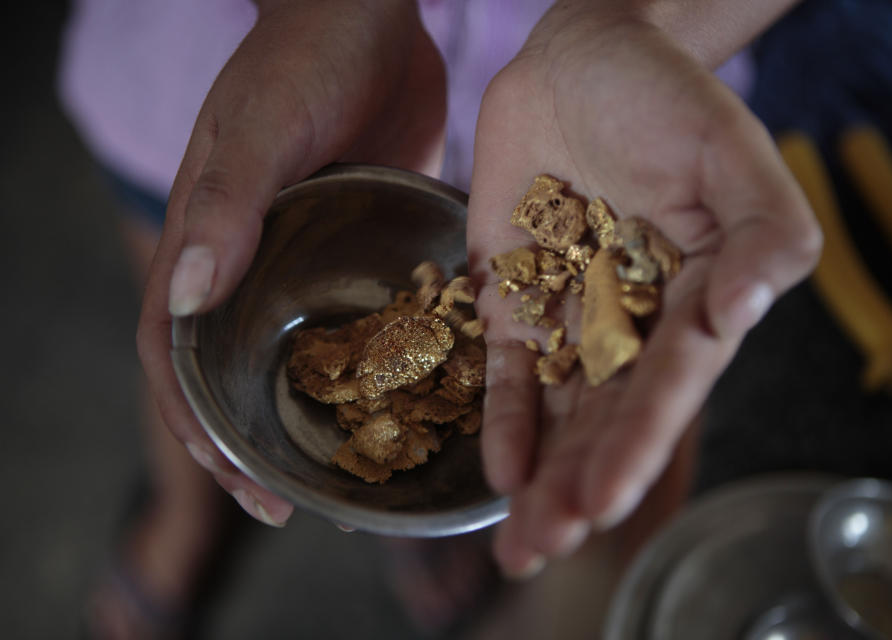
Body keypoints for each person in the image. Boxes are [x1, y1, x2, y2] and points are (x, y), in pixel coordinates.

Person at [64, 0, 821, 634]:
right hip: (244, 57)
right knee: (192, 319)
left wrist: (634, 21)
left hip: (618, 110)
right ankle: (182, 514)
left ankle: (405, 523)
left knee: (491, 442)